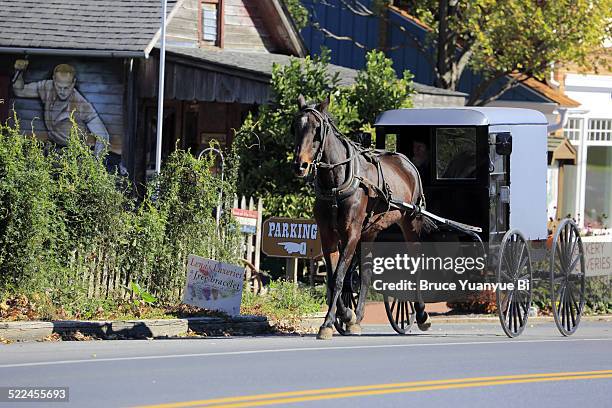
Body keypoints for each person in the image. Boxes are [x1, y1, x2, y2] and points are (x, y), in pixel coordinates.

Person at [12, 60, 109, 157]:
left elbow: (103, 136)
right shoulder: (47, 87)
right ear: (54, 80)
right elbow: (20, 91)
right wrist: (19, 72)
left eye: (66, 88)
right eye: (59, 87)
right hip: (53, 148)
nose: (62, 92)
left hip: (74, 153)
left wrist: (96, 162)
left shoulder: (81, 104)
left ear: (73, 83)